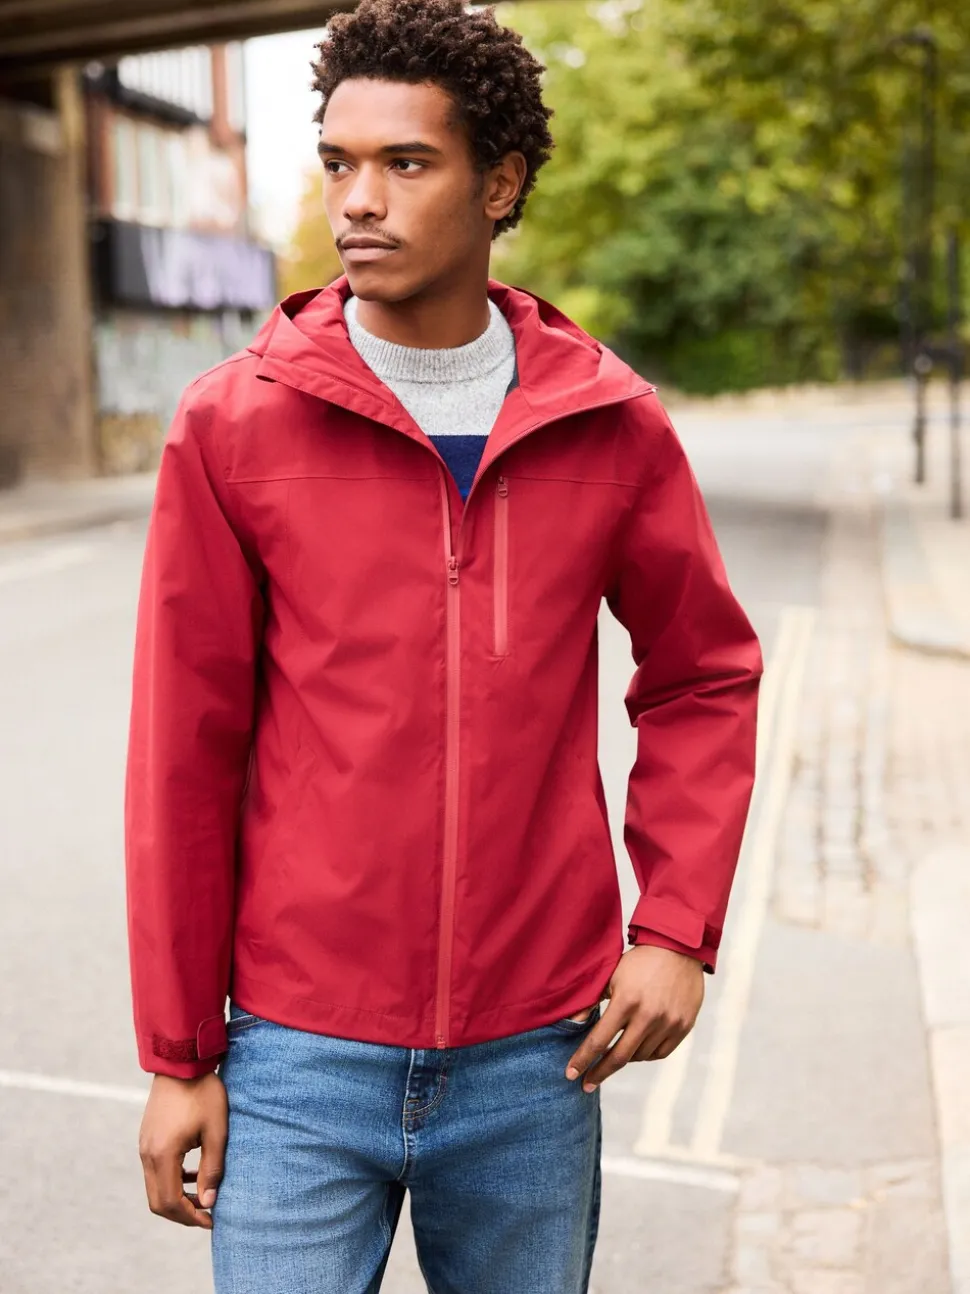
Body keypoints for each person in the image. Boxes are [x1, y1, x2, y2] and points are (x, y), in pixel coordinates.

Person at [126, 2, 762, 1290]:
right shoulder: (235, 425)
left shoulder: (610, 424)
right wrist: (179, 1054)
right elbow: (184, 755)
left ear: (501, 182)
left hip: (537, 1054)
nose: (358, 200)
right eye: (339, 162)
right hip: (297, 1057)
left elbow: (702, 675)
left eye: (405, 163)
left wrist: (675, 930)